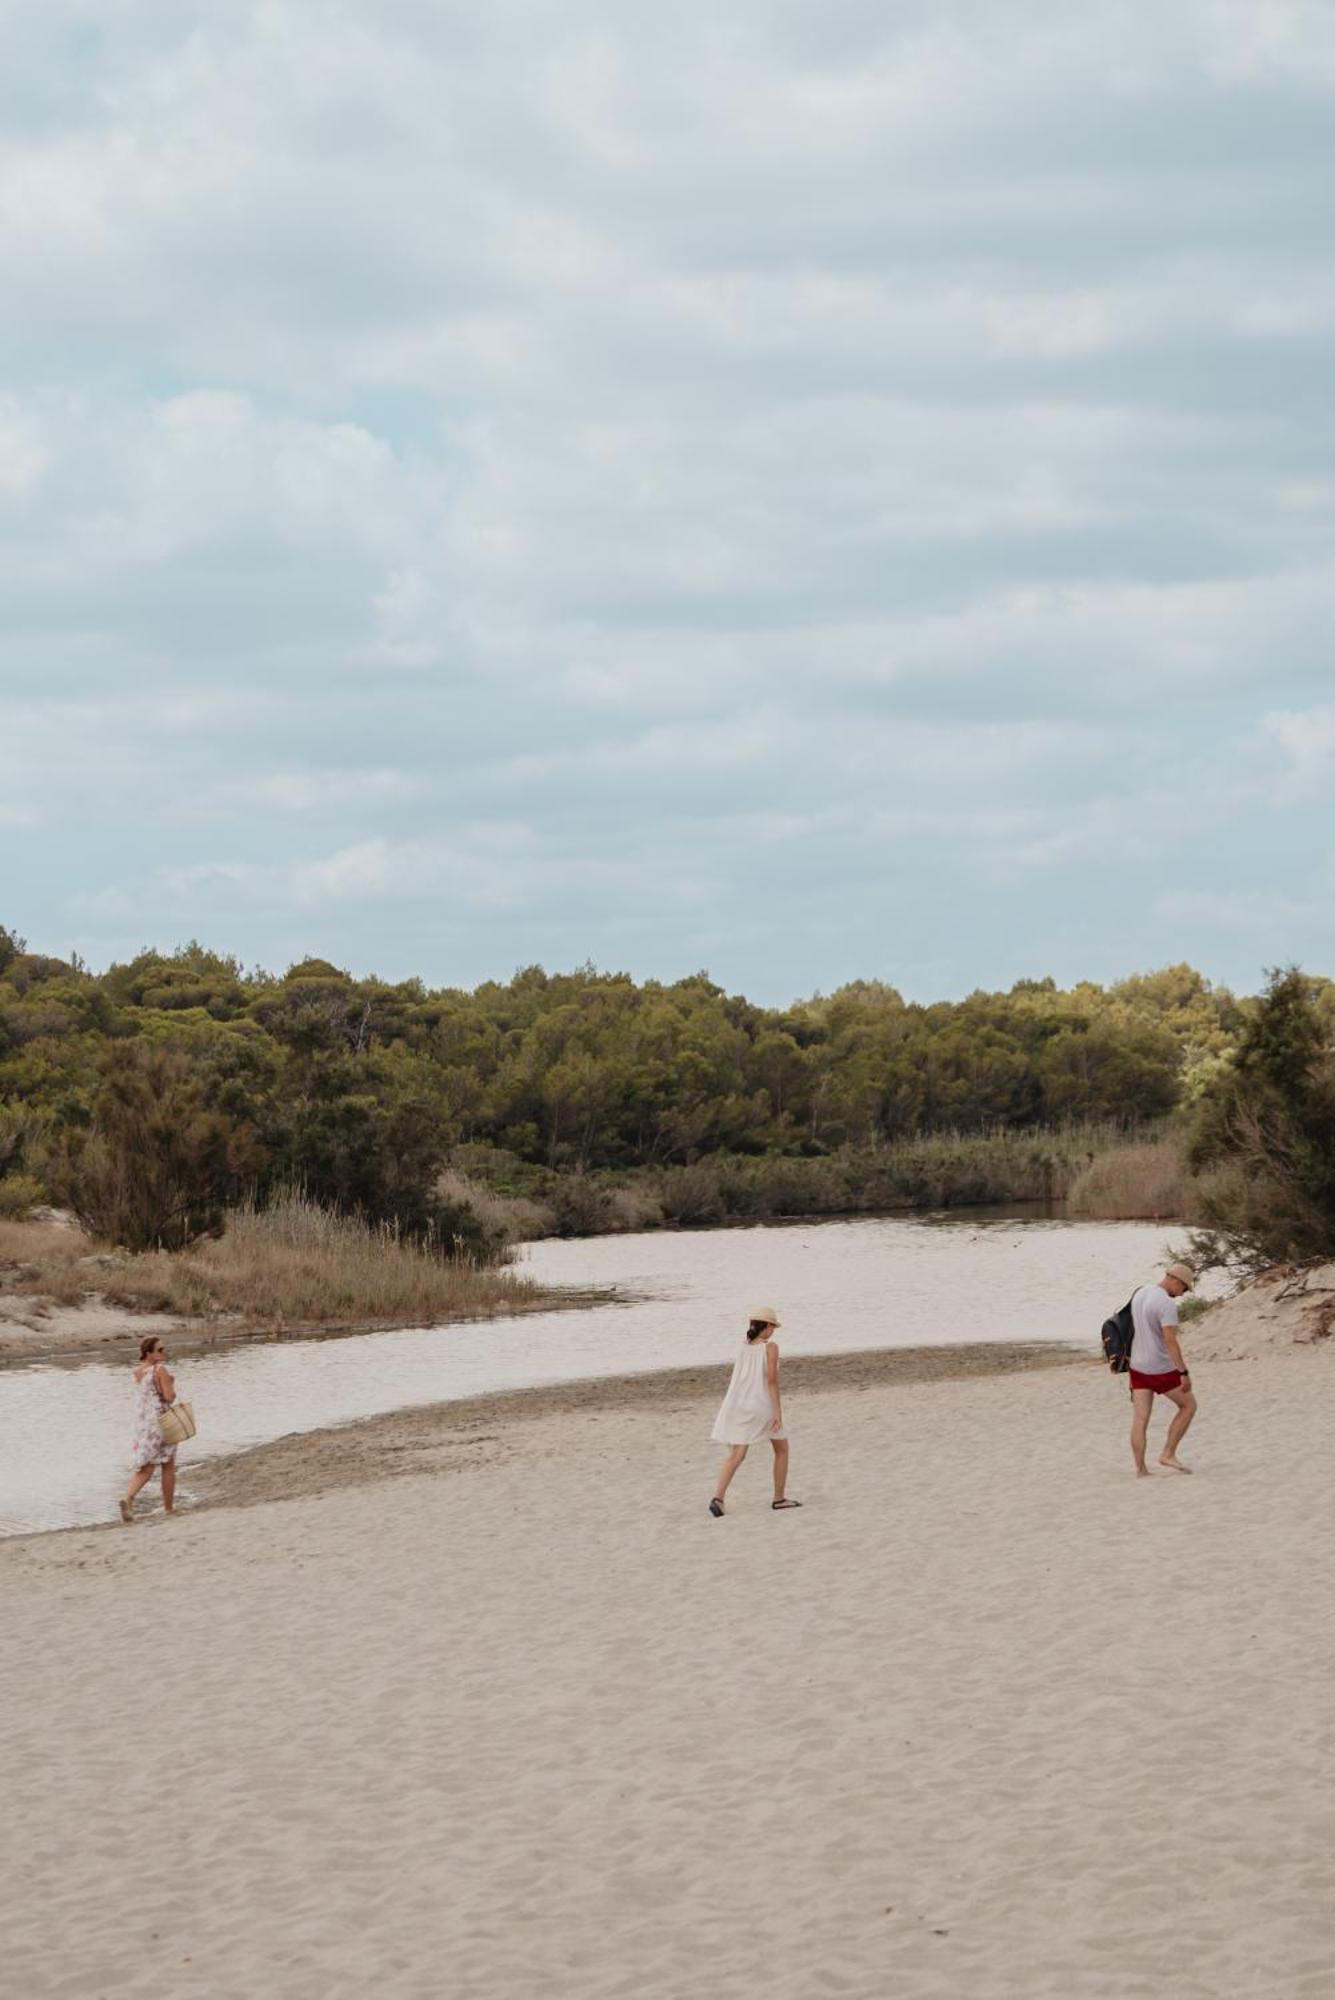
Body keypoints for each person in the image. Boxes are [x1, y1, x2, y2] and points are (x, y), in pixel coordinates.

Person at [708, 1307, 800, 1516]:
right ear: (766, 1326)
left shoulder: (743, 1346)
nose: (773, 1331)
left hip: (738, 1405)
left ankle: (718, 1498)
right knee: (782, 1449)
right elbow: (772, 1381)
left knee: (737, 1454)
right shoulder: (770, 1348)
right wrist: (777, 1412)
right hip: (760, 1405)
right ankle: (779, 1498)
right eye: (772, 1326)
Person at [1128, 1261, 1197, 1477]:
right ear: (1176, 1281)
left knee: (1140, 1418)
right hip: (1159, 1367)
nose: (1182, 1293)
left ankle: (1141, 1469)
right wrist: (1183, 1373)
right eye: (1184, 1288)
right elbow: (1170, 1342)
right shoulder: (1166, 1304)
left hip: (1137, 1365)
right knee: (1188, 1406)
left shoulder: (1141, 1293)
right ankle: (1168, 1453)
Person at [119, 1336, 180, 1522]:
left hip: (144, 1423)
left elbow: (148, 1394)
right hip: (161, 1420)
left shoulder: (138, 1371)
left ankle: (128, 1497)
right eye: (160, 1350)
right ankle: (168, 1508)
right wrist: (171, 1383)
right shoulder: (160, 1370)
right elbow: (169, 1397)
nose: (164, 1352)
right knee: (168, 1464)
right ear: (149, 1353)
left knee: (147, 1467)